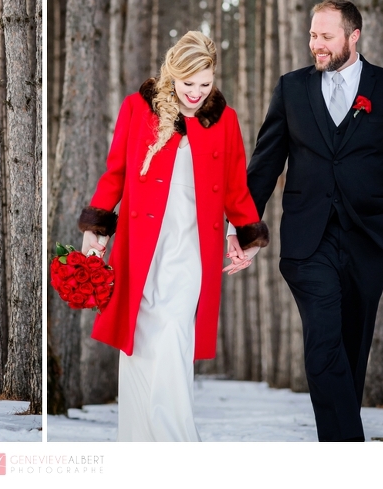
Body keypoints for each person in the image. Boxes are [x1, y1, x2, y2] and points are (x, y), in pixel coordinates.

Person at [227, 0, 383, 441]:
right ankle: (345, 450)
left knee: (352, 346)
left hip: (370, 240)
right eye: (313, 35)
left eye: (326, 36)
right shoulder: (292, 88)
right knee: (322, 342)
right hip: (306, 241)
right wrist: (243, 229)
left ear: (353, 37)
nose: (316, 44)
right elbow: (265, 164)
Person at [79, 31, 269, 441]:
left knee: (174, 339)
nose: (197, 93)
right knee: (141, 349)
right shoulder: (137, 108)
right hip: (141, 248)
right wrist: (97, 228)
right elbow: (116, 173)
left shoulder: (225, 119)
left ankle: (178, 448)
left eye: (206, 83)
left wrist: (248, 236)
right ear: (172, 74)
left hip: (191, 249)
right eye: (189, 84)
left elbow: (236, 187)